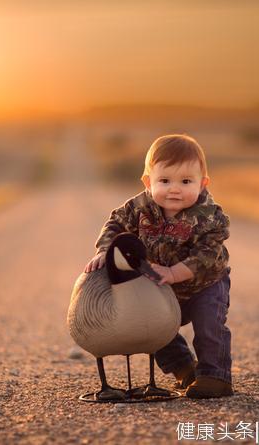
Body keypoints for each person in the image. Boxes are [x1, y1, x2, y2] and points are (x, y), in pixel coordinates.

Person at [84, 134, 233, 398]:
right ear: (148, 181)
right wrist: (105, 249)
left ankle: (215, 375)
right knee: (155, 328)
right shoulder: (138, 207)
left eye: (186, 181)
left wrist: (176, 272)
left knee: (209, 326)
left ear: (203, 184)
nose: (174, 189)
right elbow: (115, 225)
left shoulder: (210, 215)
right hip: (161, 285)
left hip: (204, 285)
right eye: (164, 181)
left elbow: (209, 254)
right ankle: (185, 369)